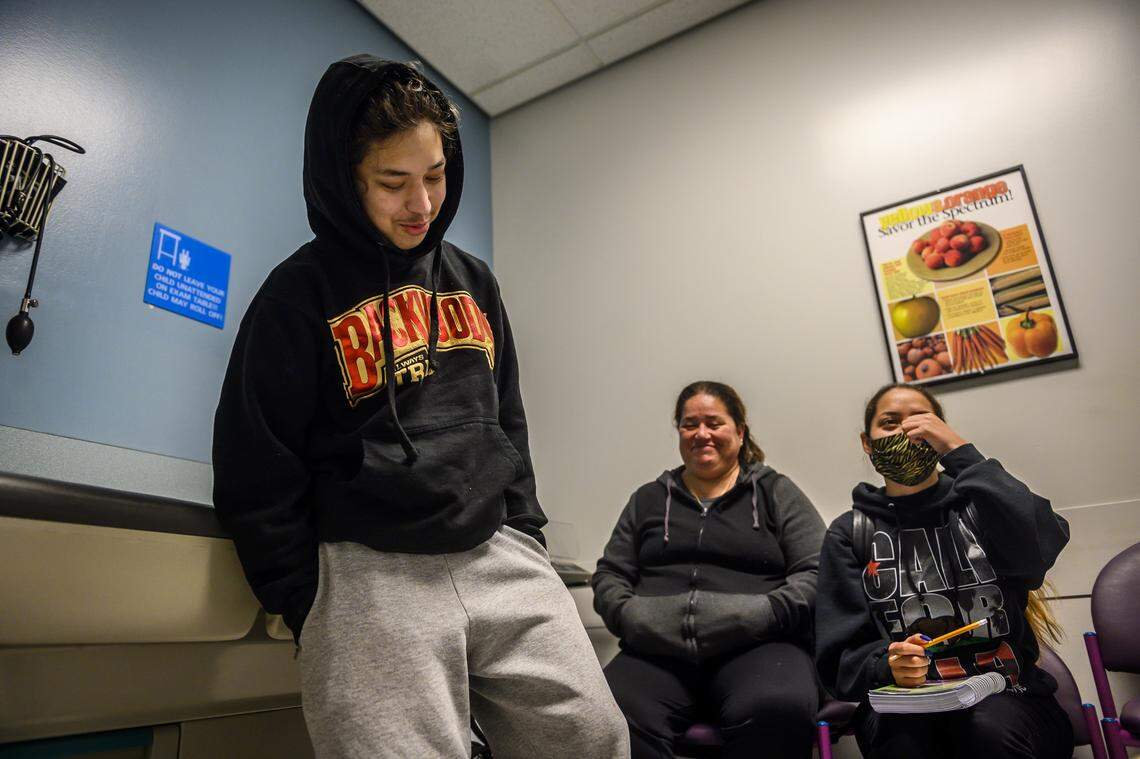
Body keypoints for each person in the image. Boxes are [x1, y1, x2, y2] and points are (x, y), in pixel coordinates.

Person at [212, 56, 628, 758]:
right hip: (370, 568)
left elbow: (508, 421)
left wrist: (525, 531)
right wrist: (307, 599)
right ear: (347, 179)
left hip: (498, 553)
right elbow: (255, 459)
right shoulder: (296, 294)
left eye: (434, 175)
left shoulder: (474, 282)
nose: (422, 203)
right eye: (393, 182)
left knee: (594, 734)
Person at [814, 382, 1074, 759]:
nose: (905, 430)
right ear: (866, 443)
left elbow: (1042, 544)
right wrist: (887, 665)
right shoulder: (849, 533)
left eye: (919, 419)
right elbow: (839, 660)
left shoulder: (979, 505)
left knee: (987, 733)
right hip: (904, 708)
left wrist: (960, 452)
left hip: (1009, 696)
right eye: (889, 422)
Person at [592, 380, 826, 758]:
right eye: (690, 424)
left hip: (761, 647)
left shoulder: (775, 492)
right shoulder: (649, 499)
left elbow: (816, 570)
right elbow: (609, 574)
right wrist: (629, 614)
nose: (702, 434)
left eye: (714, 422)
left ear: (739, 430)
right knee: (607, 716)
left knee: (778, 708)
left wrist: (768, 612)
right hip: (656, 652)